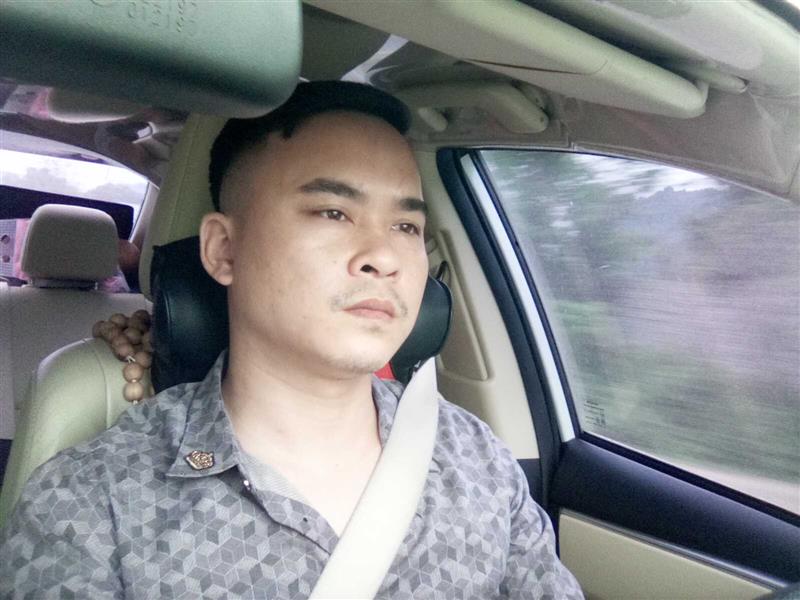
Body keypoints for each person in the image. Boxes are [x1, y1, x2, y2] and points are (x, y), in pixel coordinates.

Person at [0, 81, 584, 599]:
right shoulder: (94, 502)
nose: (384, 256)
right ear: (224, 250)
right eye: (333, 213)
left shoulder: (478, 461)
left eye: (406, 226)